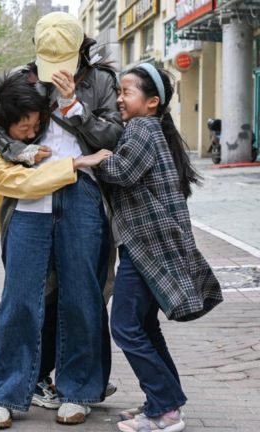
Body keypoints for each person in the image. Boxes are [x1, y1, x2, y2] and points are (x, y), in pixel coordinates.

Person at [0, 12, 124, 429]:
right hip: (30, 192)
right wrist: (17, 151)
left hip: (82, 192)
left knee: (82, 294)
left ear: (78, 50)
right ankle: (4, 394)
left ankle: (78, 390)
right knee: (19, 295)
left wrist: (75, 107)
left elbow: (113, 136)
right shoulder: (22, 78)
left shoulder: (100, 80)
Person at [94, 64, 223, 432]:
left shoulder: (141, 128)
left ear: (152, 102)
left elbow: (122, 172)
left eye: (127, 92)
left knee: (124, 326)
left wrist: (97, 160)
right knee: (145, 326)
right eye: (119, 92)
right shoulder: (153, 129)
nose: (119, 99)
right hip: (150, 243)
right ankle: (163, 401)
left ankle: (165, 411)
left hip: (145, 246)